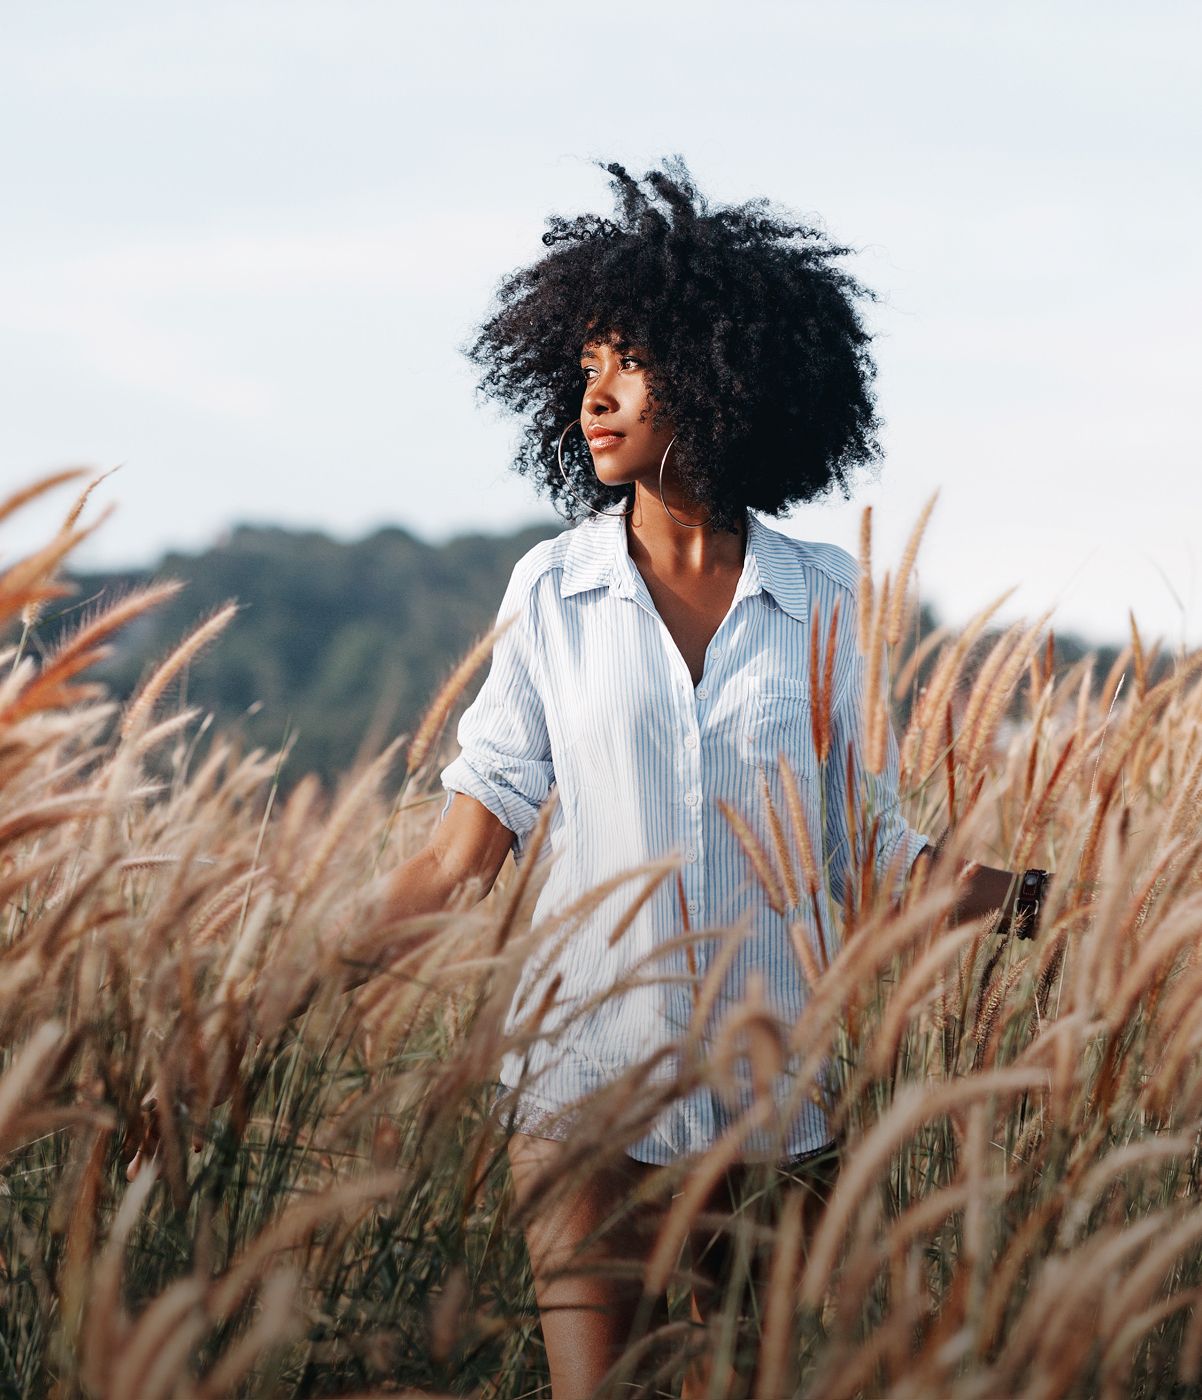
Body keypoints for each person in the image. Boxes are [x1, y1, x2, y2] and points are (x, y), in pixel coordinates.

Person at [129, 157, 1047, 1398]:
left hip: (773, 1103)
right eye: (582, 369)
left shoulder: (824, 592)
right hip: (582, 1091)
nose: (594, 396)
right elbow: (461, 856)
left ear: (726, 370)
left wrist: (1053, 907)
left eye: (628, 363)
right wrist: (290, 991)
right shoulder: (552, 588)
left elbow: (872, 849)